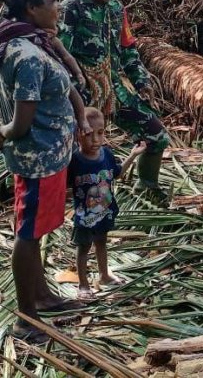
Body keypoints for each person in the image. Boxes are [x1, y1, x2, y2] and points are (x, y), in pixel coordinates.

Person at [0, 0, 88, 341]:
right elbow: (21, 122)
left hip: (51, 156)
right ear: (32, 7)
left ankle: (41, 295)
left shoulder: (35, 42)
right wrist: (1, 132)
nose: (58, 5)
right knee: (27, 235)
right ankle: (27, 317)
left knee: (37, 232)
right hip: (37, 160)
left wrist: (81, 113)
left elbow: (61, 84)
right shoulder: (24, 55)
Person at [58, 0, 171, 195]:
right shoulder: (70, 9)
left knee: (156, 135)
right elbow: (59, 59)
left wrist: (141, 81)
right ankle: (71, 194)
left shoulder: (117, 9)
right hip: (81, 95)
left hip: (114, 88)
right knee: (68, 149)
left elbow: (128, 49)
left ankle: (147, 186)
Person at [69, 106, 146, 300]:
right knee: (84, 248)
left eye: (101, 133)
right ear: (78, 134)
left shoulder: (107, 155)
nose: (96, 140)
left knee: (102, 242)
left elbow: (117, 173)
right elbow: (61, 185)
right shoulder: (74, 161)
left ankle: (104, 275)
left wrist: (134, 154)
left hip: (105, 211)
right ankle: (83, 284)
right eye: (88, 134)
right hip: (84, 216)